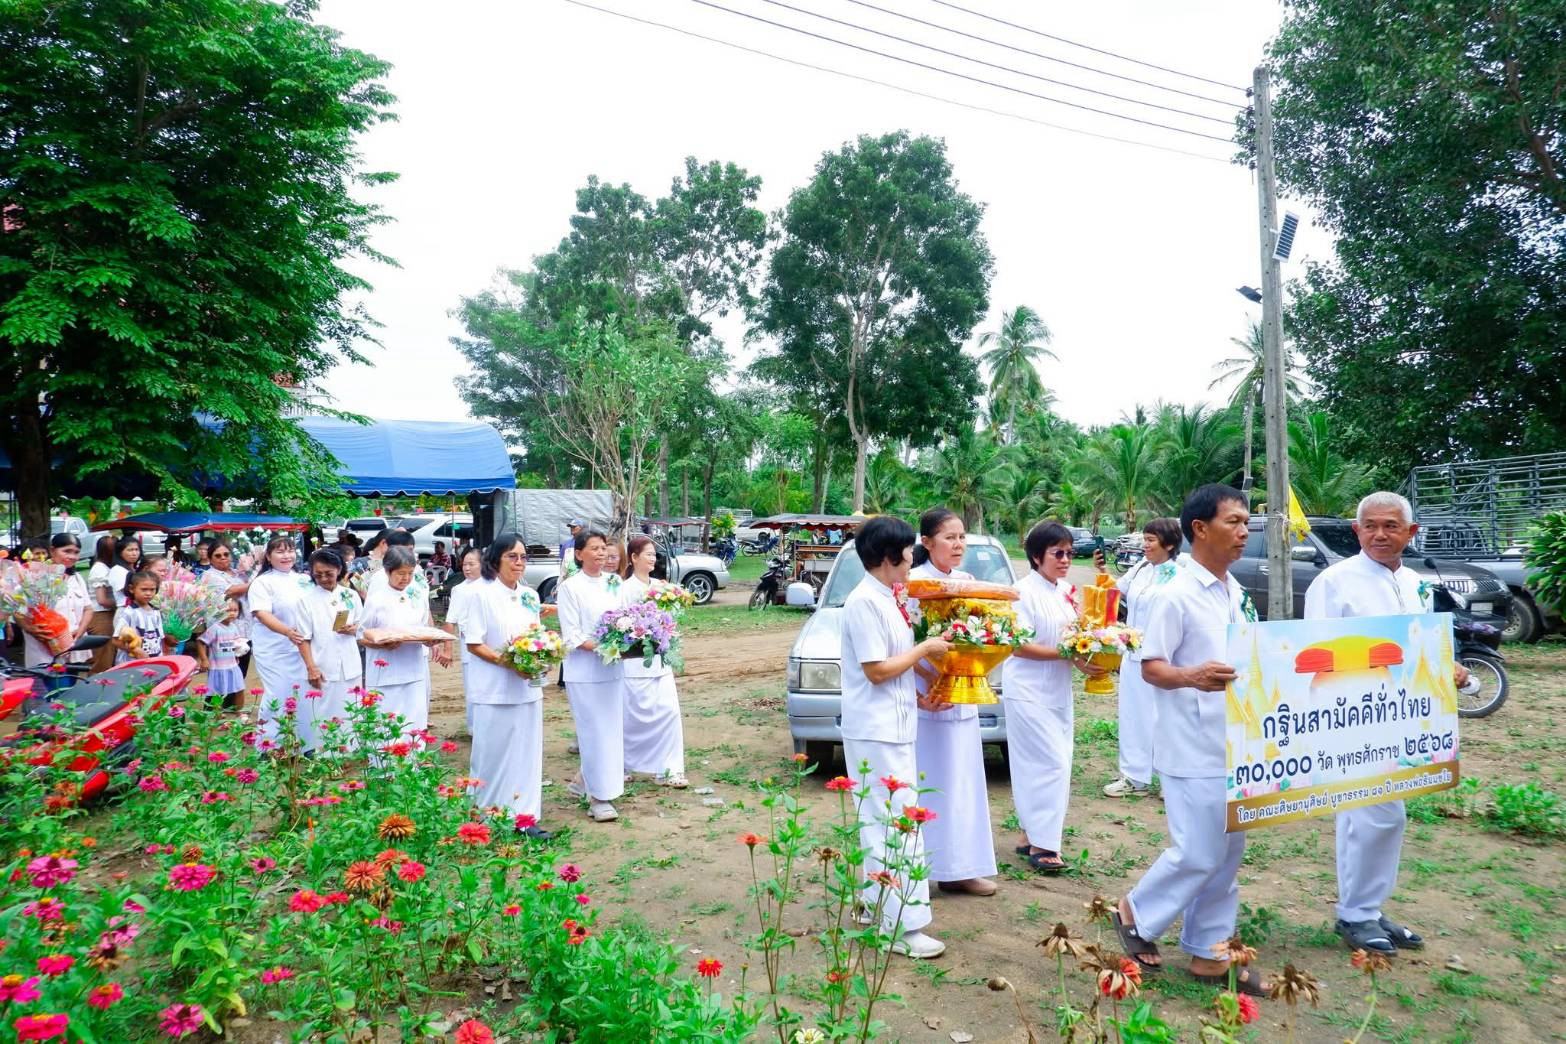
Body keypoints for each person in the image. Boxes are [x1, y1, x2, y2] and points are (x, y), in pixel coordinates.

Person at [1114, 484, 1271, 996]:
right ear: (1200, 529)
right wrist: (1192, 676)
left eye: (1247, 522)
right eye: (1234, 521)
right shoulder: (1173, 594)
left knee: (1228, 852)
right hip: (1190, 742)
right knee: (1198, 852)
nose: (1244, 531)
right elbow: (1151, 667)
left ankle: (1209, 951)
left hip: (1237, 742)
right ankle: (1136, 910)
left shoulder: (1235, 592)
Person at [1304, 491, 1467, 957]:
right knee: (1368, 815)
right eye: (1370, 525)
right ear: (1356, 531)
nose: (1380, 534)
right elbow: (1310, 653)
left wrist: (1447, 669)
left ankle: (1370, 909)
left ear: (1410, 532)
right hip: (1352, 720)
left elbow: (1421, 648)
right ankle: (1355, 915)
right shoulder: (1335, 582)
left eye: (1391, 526)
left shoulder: (1415, 583)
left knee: (1388, 817)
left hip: (1402, 718)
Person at [840, 515, 953, 959]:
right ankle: (902, 928)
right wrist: (927, 648)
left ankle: (876, 905)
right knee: (896, 823)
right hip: (876, 731)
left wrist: (919, 697)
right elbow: (876, 669)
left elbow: (894, 666)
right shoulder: (864, 602)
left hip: (895, 724)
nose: (913, 559)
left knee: (885, 820)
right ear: (890, 557)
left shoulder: (888, 598)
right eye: (908, 552)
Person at [907, 508, 997, 897]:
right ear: (927, 542)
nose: (958, 544)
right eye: (949, 537)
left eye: (962, 537)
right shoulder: (912, 583)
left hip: (963, 697)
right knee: (928, 782)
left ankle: (960, 869)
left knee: (964, 782)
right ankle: (917, 873)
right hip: (927, 700)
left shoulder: (968, 582)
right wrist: (930, 685)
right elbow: (907, 643)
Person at [1003, 522, 1100, 873]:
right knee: (1051, 764)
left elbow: (1079, 637)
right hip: (1027, 691)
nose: (1065, 559)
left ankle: (1030, 834)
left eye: (1069, 553)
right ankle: (1045, 844)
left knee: (1049, 763)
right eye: (1057, 553)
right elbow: (1018, 646)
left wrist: (1092, 654)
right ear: (1035, 555)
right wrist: (1066, 654)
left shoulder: (1066, 591)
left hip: (1057, 691)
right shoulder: (1020, 592)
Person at [458, 534, 554, 839]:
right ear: (496, 559)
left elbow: (536, 635)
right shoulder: (480, 595)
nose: (520, 562)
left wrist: (544, 656)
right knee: (492, 754)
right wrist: (509, 663)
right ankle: (486, 817)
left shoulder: (529, 596)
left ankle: (525, 818)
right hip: (494, 689)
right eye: (512, 556)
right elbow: (474, 643)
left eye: (524, 556)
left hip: (527, 688)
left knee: (526, 754)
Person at [1101, 518, 1184, 798]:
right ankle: (1135, 776)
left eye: (1151, 540)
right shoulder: (1140, 568)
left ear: (1169, 544)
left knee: (1166, 718)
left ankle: (1169, 778)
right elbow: (1116, 590)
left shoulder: (1181, 574)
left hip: (1166, 658)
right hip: (1134, 654)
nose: (1144, 546)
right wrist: (1101, 572)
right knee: (1134, 716)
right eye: (1144, 540)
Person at [556, 529, 627, 823]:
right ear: (578, 554)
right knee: (593, 732)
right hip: (584, 673)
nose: (600, 554)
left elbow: (627, 617)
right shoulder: (570, 588)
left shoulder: (614, 582)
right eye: (594, 548)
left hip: (612, 670)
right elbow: (571, 636)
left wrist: (631, 640)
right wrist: (605, 646)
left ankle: (585, 781)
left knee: (610, 731)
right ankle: (598, 797)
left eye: (603, 548)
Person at [619, 535, 687, 788]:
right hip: (635, 661)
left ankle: (669, 769)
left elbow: (670, 618)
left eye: (654, 555)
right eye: (647, 554)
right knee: (633, 717)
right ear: (634, 558)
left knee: (669, 713)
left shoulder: (661, 587)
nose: (652, 559)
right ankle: (623, 763)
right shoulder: (625, 589)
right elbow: (621, 623)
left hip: (660, 659)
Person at [360, 546, 444, 740]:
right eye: (400, 574)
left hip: (413, 667)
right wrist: (381, 644)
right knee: (387, 718)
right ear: (388, 572)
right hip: (386, 669)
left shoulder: (417, 595)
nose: (406, 578)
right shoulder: (377, 599)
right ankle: (386, 765)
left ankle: (413, 762)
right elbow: (361, 635)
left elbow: (424, 627)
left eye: (410, 573)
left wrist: (432, 641)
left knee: (414, 717)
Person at [247, 537, 314, 745]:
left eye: (290, 550)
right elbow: (262, 614)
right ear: (268, 556)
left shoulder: (303, 579)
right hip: (274, 649)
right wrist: (287, 632)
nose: (287, 556)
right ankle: (269, 744)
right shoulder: (262, 582)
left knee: (302, 694)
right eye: (280, 552)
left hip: (301, 648)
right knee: (277, 694)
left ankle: (304, 744)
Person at [296, 548, 365, 753]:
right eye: (318, 575)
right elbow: (303, 639)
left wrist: (354, 629)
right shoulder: (306, 600)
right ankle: (327, 756)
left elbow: (362, 625)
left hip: (350, 662)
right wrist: (311, 667)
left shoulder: (350, 595)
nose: (324, 578)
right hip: (323, 663)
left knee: (351, 708)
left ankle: (352, 753)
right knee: (325, 711)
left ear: (339, 570)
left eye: (329, 573)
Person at [18, 533, 95, 668]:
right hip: (44, 650)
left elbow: (88, 609)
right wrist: (30, 628)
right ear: (52, 551)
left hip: (74, 649)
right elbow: (18, 611)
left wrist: (80, 631)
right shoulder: (34, 578)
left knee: (73, 687)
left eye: (76, 552)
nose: (72, 556)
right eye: (66, 551)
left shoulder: (76, 578)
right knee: (51, 688)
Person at [443, 545, 485, 733]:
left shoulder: (492, 585)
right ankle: (474, 726)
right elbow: (450, 621)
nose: (467, 568)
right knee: (473, 686)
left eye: (472, 564)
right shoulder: (459, 589)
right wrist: (448, 650)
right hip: (469, 644)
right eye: (465, 564)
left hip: (490, 642)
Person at [200, 541, 253, 682]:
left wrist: (253, 570)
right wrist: (258, 581)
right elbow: (230, 591)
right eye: (218, 556)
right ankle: (216, 704)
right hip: (223, 634)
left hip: (244, 630)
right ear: (210, 559)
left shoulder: (239, 573)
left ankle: (234, 704)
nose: (223, 558)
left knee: (240, 676)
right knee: (224, 675)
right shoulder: (209, 576)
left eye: (226, 554)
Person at [112, 569, 173, 665]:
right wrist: (134, 650)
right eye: (144, 589)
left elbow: (159, 638)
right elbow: (115, 640)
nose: (148, 593)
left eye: (152, 589)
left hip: (154, 662)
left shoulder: (156, 612)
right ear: (132, 589)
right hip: (132, 664)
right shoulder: (129, 613)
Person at [197, 600, 248, 711]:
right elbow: (201, 642)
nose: (232, 613)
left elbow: (236, 643)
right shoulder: (215, 628)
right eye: (228, 610)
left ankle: (240, 712)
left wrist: (239, 650)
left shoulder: (234, 627)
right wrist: (204, 659)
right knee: (217, 692)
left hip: (233, 666)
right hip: (218, 668)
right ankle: (217, 715)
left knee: (240, 688)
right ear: (219, 611)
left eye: (235, 610)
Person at [85, 534, 120, 671]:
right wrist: (123, 602)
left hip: (107, 615)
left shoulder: (107, 567)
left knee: (110, 655)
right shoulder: (99, 569)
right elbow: (102, 600)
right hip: (101, 616)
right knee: (103, 658)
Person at [105, 536, 143, 606]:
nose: (134, 553)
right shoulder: (117, 570)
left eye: (137, 549)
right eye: (130, 550)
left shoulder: (135, 569)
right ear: (120, 552)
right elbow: (129, 592)